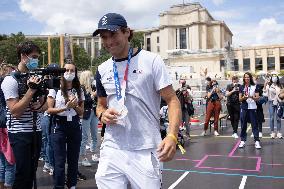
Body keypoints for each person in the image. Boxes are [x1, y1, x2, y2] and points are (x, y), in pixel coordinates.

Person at [93, 13, 181, 188]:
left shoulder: (151, 60)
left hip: (145, 149)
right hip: (112, 148)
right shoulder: (102, 69)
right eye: (104, 37)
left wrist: (172, 135)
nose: (109, 41)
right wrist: (102, 114)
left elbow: (172, 100)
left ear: (127, 32)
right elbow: (100, 105)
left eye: (113, 34)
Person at [1, 41, 45, 189]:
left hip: (36, 131)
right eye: (33, 56)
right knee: (22, 174)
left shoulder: (37, 77)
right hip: (19, 133)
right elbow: (15, 111)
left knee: (31, 172)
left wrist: (39, 105)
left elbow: (45, 106)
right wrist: (31, 91)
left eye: (37, 57)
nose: (36, 60)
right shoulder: (10, 80)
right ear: (23, 56)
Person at [47, 62, 84, 189]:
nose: (69, 73)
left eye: (72, 70)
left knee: (73, 159)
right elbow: (49, 109)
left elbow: (81, 112)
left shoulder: (79, 89)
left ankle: (72, 185)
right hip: (59, 126)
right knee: (59, 161)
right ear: (62, 72)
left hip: (74, 125)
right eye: (66, 70)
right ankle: (58, 186)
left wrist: (75, 106)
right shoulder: (55, 88)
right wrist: (64, 108)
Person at [0, 64, 16, 189]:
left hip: (2, 125)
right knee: (10, 161)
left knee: (2, 159)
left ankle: (3, 183)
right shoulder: (5, 85)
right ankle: (8, 184)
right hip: (5, 125)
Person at [79, 70, 99, 167]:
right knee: (85, 136)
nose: (92, 78)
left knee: (95, 135)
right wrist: (92, 96)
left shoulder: (94, 87)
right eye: (90, 76)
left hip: (94, 113)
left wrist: (96, 95)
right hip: (86, 114)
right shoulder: (81, 88)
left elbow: (98, 99)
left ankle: (94, 153)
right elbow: (83, 102)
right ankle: (83, 157)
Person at [238, 72, 261, 149]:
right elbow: (240, 99)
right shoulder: (241, 87)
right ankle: (243, 141)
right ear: (244, 78)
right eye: (245, 77)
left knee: (254, 125)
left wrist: (251, 96)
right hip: (244, 108)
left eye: (248, 77)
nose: (246, 78)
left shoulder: (255, 86)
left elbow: (257, 98)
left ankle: (257, 141)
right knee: (243, 125)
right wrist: (244, 98)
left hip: (252, 108)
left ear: (250, 78)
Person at [263, 73, 283, 139]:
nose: (274, 78)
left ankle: (279, 132)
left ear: (277, 78)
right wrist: (265, 84)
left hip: (278, 102)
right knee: (271, 118)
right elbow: (264, 92)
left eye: (275, 77)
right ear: (271, 78)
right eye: (273, 77)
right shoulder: (269, 85)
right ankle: (272, 132)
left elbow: (282, 93)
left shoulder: (280, 86)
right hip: (271, 102)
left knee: (278, 118)